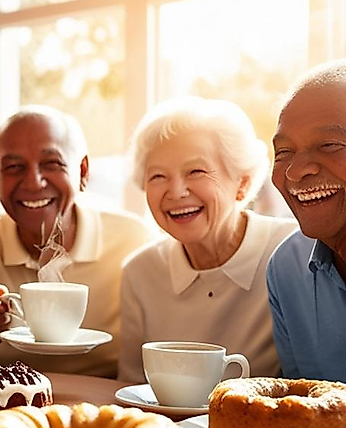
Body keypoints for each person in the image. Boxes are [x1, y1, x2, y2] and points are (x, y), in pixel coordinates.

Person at [0, 105, 154, 377]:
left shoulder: (132, 239)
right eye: (14, 167)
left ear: (82, 171)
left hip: (103, 402)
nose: (33, 183)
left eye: (52, 164)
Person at [118, 97, 296, 383]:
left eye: (195, 172)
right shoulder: (140, 271)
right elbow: (131, 388)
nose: (176, 192)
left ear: (242, 183)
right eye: (158, 176)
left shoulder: (291, 252)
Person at [267, 60, 346, 382]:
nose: (296, 171)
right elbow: (304, 401)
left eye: (329, 145)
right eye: (283, 152)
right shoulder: (286, 269)